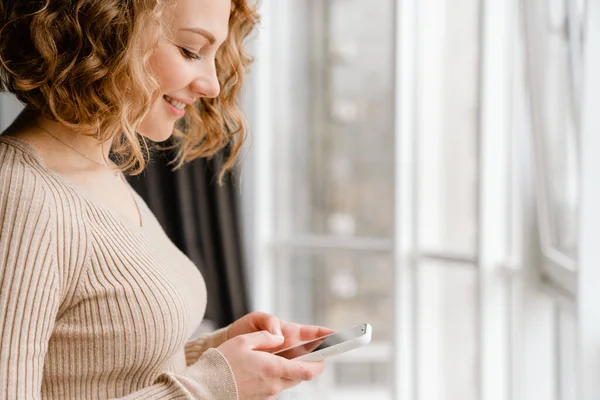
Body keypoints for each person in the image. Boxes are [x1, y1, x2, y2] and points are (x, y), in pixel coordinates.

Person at [0, 0, 332, 399]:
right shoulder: (21, 198)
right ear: (108, 33)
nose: (211, 84)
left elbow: (99, 369)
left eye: (214, 55)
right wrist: (213, 386)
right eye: (191, 51)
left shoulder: (99, 173)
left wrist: (219, 354)